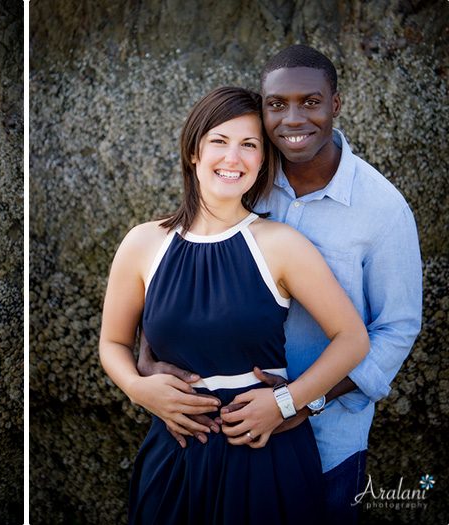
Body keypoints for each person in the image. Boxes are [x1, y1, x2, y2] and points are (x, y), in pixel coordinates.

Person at [136, 46, 422, 523]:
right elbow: (184, 261)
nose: (293, 118)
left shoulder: (383, 211)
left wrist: (303, 402)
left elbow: (395, 330)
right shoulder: (244, 176)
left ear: (336, 104)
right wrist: (147, 353)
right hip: (216, 431)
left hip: (329, 439)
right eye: (276, 104)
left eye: (310, 102)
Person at [98, 86, 369, 523]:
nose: (233, 158)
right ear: (193, 151)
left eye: (249, 145)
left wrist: (287, 402)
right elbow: (112, 342)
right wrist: (138, 389)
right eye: (219, 142)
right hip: (174, 452)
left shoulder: (280, 244)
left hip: (263, 454)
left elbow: (352, 339)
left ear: (263, 160)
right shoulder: (143, 243)